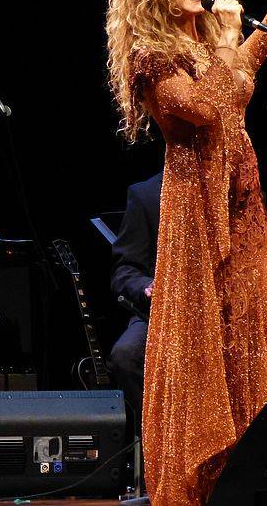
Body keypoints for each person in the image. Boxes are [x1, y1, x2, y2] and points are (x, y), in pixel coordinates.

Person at [105, 0, 267, 505]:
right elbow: (210, 105)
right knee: (209, 347)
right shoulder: (150, 57)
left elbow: (238, 81)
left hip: (244, 209)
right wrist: (233, 35)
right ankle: (208, 482)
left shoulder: (208, 44)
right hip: (199, 215)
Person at [107, 170, 161, 439]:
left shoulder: (230, 186)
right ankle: (159, 443)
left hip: (225, 313)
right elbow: (125, 269)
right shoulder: (147, 193)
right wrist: (146, 286)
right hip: (161, 314)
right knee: (125, 355)